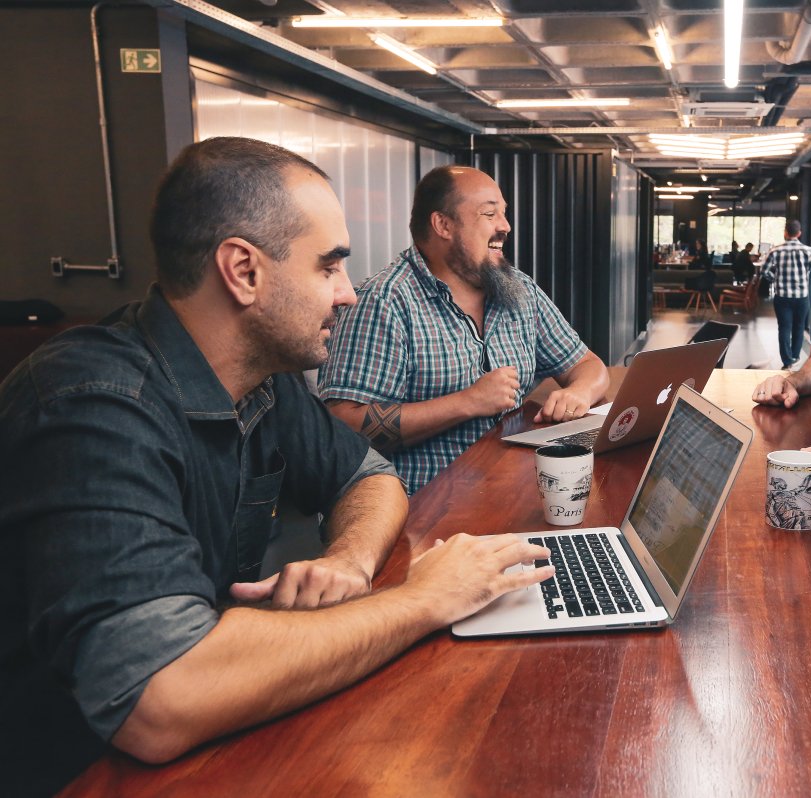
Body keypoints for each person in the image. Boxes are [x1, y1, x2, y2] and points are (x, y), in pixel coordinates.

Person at [0, 138, 553, 797]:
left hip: (208, 732)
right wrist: (427, 599)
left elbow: (367, 477)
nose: (349, 294)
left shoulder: (259, 379)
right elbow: (161, 699)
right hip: (74, 771)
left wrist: (349, 558)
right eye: (328, 268)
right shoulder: (90, 407)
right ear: (244, 271)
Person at [317, 165, 609, 494]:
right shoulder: (384, 302)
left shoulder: (519, 291)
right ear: (443, 224)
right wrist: (468, 401)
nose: (505, 226)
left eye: (504, 213)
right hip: (420, 517)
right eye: (489, 214)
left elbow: (588, 366)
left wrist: (578, 393)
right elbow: (343, 424)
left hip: (508, 492)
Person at [759, 219, 811, 369]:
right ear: (799, 233)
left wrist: (775, 279)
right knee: (798, 327)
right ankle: (795, 356)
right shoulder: (808, 250)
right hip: (802, 297)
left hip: (782, 297)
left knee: (784, 328)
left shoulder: (775, 250)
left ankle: (787, 361)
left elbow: (763, 271)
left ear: (785, 233)